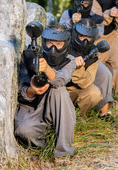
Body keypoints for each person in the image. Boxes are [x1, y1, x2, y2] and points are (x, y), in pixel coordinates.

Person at [14, 23, 77, 158]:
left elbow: (62, 79)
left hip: (55, 106)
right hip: (31, 108)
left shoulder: (69, 60)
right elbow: (20, 90)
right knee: (23, 131)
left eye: (58, 44)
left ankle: (63, 151)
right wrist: (31, 90)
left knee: (58, 89)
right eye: (49, 43)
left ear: (65, 44)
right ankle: (53, 139)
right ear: (44, 42)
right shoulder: (28, 56)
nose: (53, 48)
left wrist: (47, 69)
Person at [60, 0, 114, 119]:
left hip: (87, 53)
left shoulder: (95, 16)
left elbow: (99, 33)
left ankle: (104, 111)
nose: (83, 5)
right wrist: (72, 23)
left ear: (91, 2)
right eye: (81, 2)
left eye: (86, 3)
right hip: (68, 52)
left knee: (105, 74)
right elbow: (59, 32)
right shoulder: (68, 14)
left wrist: (87, 23)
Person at [66, 18, 105, 117]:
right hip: (60, 89)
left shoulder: (93, 54)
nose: (85, 40)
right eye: (82, 36)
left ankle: (76, 117)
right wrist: (71, 61)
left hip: (75, 90)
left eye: (89, 37)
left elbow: (87, 82)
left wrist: (78, 69)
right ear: (75, 34)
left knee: (94, 93)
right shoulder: (64, 44)